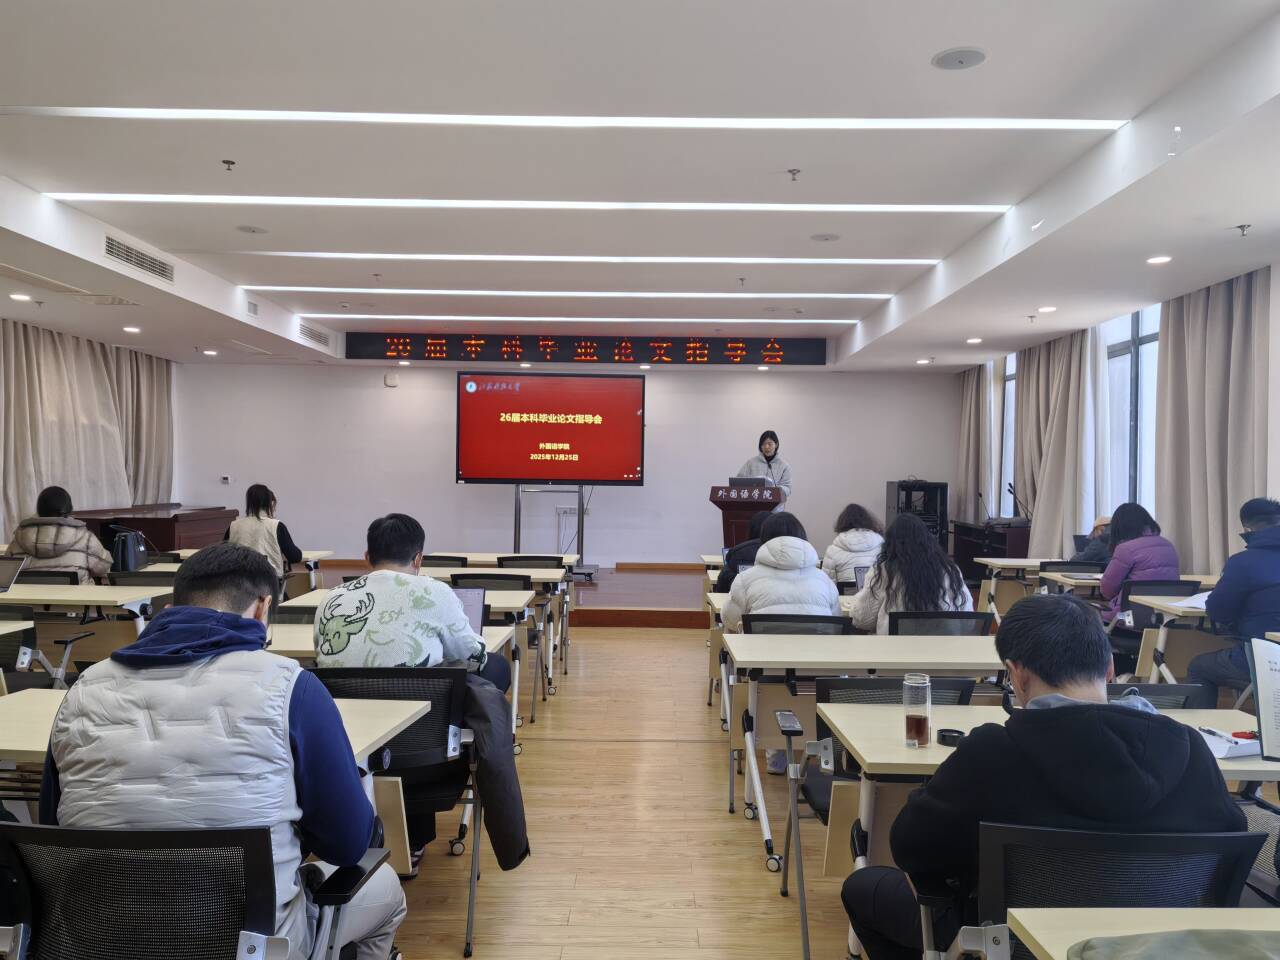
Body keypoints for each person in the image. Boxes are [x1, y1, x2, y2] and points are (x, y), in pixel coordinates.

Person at [40, 543, 407, 960]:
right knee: (387, 891)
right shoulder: (292, 688)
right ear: (262, 608)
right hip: (248, 946)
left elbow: (53, 834)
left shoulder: (82, 690)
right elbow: (347, 845)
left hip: (98, 940)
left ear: (169, 608)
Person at [841, 593, 1246, 960]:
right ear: (1109, 668)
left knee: (864, 888)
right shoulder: (1191, 749)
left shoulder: (992, 752)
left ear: (1016, 674)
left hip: (1011, 946)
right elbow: (1227, 847)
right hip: (1153, 948)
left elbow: (911, 847)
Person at [315, 513, 510, 692]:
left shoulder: (332, 597)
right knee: (497, 666)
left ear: (367, 557)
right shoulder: (435, 591)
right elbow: (473, 654)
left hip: (343, 711)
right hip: (420, 712)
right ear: (418, 559)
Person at [721, 512, 840, 775]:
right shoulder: (823, 580)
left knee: (764, 671)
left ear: (763, 540)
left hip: (766, 675)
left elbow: (729, 620)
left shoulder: (747, 579)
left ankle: (776, 753)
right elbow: (836, 622)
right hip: (818, 673)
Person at [1188, 497, 1280, 705]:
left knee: (1199, 667)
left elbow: (1218, 611)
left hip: (1264, 661)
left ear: (1247, 529)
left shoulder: (1243, 563)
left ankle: (1202, 727)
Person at [847, 513, 971, 634]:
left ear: (890, 544)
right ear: (928, 540)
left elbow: (862, 620)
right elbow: (968, 621)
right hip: (943, 646)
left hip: (895, 646)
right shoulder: (950, 570)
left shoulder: (884, 571)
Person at [5, 485, 112, 584]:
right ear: (69, 510)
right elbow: (105, 568)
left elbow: (6, 573)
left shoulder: (18, 541)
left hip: (30, 599)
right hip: (77, 598)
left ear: (39, 510)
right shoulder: (85, 538)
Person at [1099, 503, 1180, 620]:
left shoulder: (1125, 549)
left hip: (1128, 617)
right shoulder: (1168, 545)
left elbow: (1107, 591)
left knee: (1088, 613)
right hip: (1163, 617)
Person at [226, 482, 303, 576]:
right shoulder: (276, 526)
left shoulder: (233, 526)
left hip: (238, 581)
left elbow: (224, 555)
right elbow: (295, 557)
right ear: (270, 503)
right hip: (269, 581)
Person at [821, 503, 885, 585]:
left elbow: (827, 583)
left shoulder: (832, 550)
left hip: (845, 593)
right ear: (868, 521)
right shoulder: (881, 546)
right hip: (874, 591)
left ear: (842, 523)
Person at [714, 510, 771, 594]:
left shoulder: (738, 552)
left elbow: (722, 587)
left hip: (740, 598)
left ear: (751, 528)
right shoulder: (783, 553)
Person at [736, 430, 792, 508]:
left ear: (776, 444)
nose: (766, 447)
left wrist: (775, 490)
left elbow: (787, 488)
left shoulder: (784, 466)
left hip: (775, 510)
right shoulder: (751, 463)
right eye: (763, 444)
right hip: (753, 507)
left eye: (769, 444)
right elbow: (739, 481)